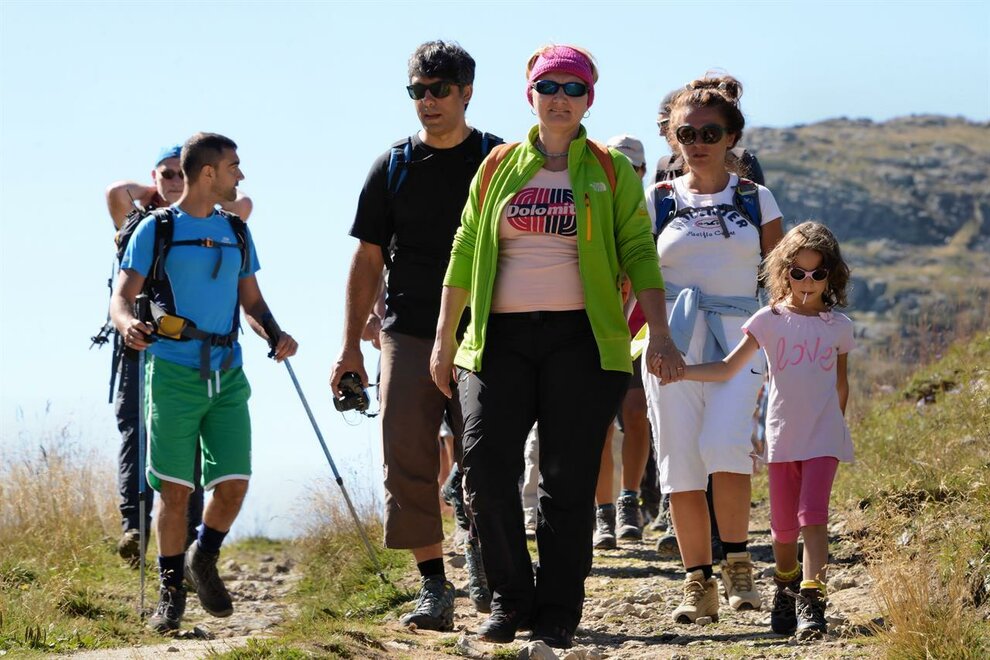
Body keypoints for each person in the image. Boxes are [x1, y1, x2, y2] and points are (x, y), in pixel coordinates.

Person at [431, 44, 684, 649]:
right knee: (485, 470)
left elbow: (638, 250)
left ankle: (558, 610)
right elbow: (465, 246)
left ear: (589, 99)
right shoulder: (497, 166)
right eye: (549, 86)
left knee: (566, 481)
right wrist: (444, 340)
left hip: (582, 339)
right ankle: (510, 598)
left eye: (574, 88)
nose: (560, 98)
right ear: (531, 96)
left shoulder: (609, 169)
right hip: (497, 340)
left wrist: (659, 332)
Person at [329, 40, 498, 631]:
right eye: (417, 91)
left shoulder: (498, 160)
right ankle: (433, 587)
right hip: (408, 331)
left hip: (486, 332)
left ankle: (488, 561)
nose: (427, 101)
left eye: (439, 90)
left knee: (487, 458)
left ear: (466, 92)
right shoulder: (391, 166)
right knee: (403, 454)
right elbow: (367, 259)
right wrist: (349, 347)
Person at [110, 132, 297, 632]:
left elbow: (252, 301)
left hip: (228, 371)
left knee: (233, 486)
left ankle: (203, 555)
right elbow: (121, 298)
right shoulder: (156, 229)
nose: (241, 175)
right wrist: (127, 325)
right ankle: (170, 593)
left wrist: (275, 333)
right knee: (174, 492)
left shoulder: (236, 230)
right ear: (209, 172)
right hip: (172, 371)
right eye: (234, 166)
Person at [641, 74, 784, 625]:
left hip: (741, 343)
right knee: (680, 461)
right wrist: (654, 340)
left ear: (731, 138)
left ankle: (739, 567)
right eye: (687, 133)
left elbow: (779, 282)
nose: (697, 142)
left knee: (726, 446)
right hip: (670, 344)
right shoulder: (656, 200)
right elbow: (637, 277)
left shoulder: (755, 198)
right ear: (672, 138)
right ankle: (696, 582)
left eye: (710, 132)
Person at [670, 221, 853, 640]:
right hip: (782, 439)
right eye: (799, 273)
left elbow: (841, 384)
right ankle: (786, 585)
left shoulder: (839, 326)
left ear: (832, 276)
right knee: (783, 530)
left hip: (823, 439)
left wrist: (837, 427)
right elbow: (727, 368)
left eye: (818, 274)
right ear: (783, 272)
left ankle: (812, 602)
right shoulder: (767, 320)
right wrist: (681, 372)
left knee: (813, 518)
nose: (808, 282)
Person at [104, 145, 253, 563]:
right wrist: (159, 189)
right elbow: (115, 192)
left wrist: (194, 189)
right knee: (137, 433)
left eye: (178, 173)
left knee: (202, 455)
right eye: (164, 174)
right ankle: (136, 528)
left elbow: (242, 204)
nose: (172, 181)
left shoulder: (226, 225)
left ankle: (190, 543)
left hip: (215, 361)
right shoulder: (146, 223)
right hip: (148, 348)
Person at [592, 135, 654, 548]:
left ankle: (629, 501)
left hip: (638, 332)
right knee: (598, 425)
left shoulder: (654, 211)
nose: (627, 174)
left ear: (644, 172)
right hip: (595, 332)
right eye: (619, 166)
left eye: (634, 168)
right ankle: (603, 513)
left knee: (636, 414)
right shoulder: (589, 203)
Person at [654, 88, 765, 186]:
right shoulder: (662, 173)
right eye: (659, 125)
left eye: (665, 125)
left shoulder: (742, 160)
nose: (662, 132)